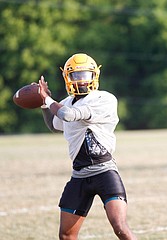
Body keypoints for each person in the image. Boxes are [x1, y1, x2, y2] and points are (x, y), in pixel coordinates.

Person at [38, 53, 137, 240]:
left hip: (104, 172)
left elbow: (68, 115)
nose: (81, 80)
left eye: (85, 75)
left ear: (94, 75)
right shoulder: (66, 102)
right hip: (79, 176)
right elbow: (54, 124)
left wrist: (49, 101)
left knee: (120, 228)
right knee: (66, 235)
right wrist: (44, 104)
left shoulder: (104, 99)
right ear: (68, 78)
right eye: (76, 75)